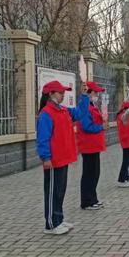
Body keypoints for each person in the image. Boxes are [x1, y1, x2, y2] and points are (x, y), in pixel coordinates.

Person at [37, 81, 90, 235]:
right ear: (51, 94)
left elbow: (80, 113)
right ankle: (51, 224)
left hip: (63, 157)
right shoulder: (46, 113)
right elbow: (43, 138)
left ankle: (58, 219)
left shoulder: (63, 110)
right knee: (53, 191)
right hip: (53, 160)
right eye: (60, 93)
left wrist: (84, 95)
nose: (63, 95)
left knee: (60, 191)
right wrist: (46, 158)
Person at [76, 82, 107, 210]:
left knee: (95, 173)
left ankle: (93, 198)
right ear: (89, 93)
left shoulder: (92, 105)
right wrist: (101, 127)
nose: (97, 95)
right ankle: (86, 201)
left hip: (95, 145)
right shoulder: (84, 107)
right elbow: (86, 126)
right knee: (89, 173)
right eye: (95, 93)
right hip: (88, 145)